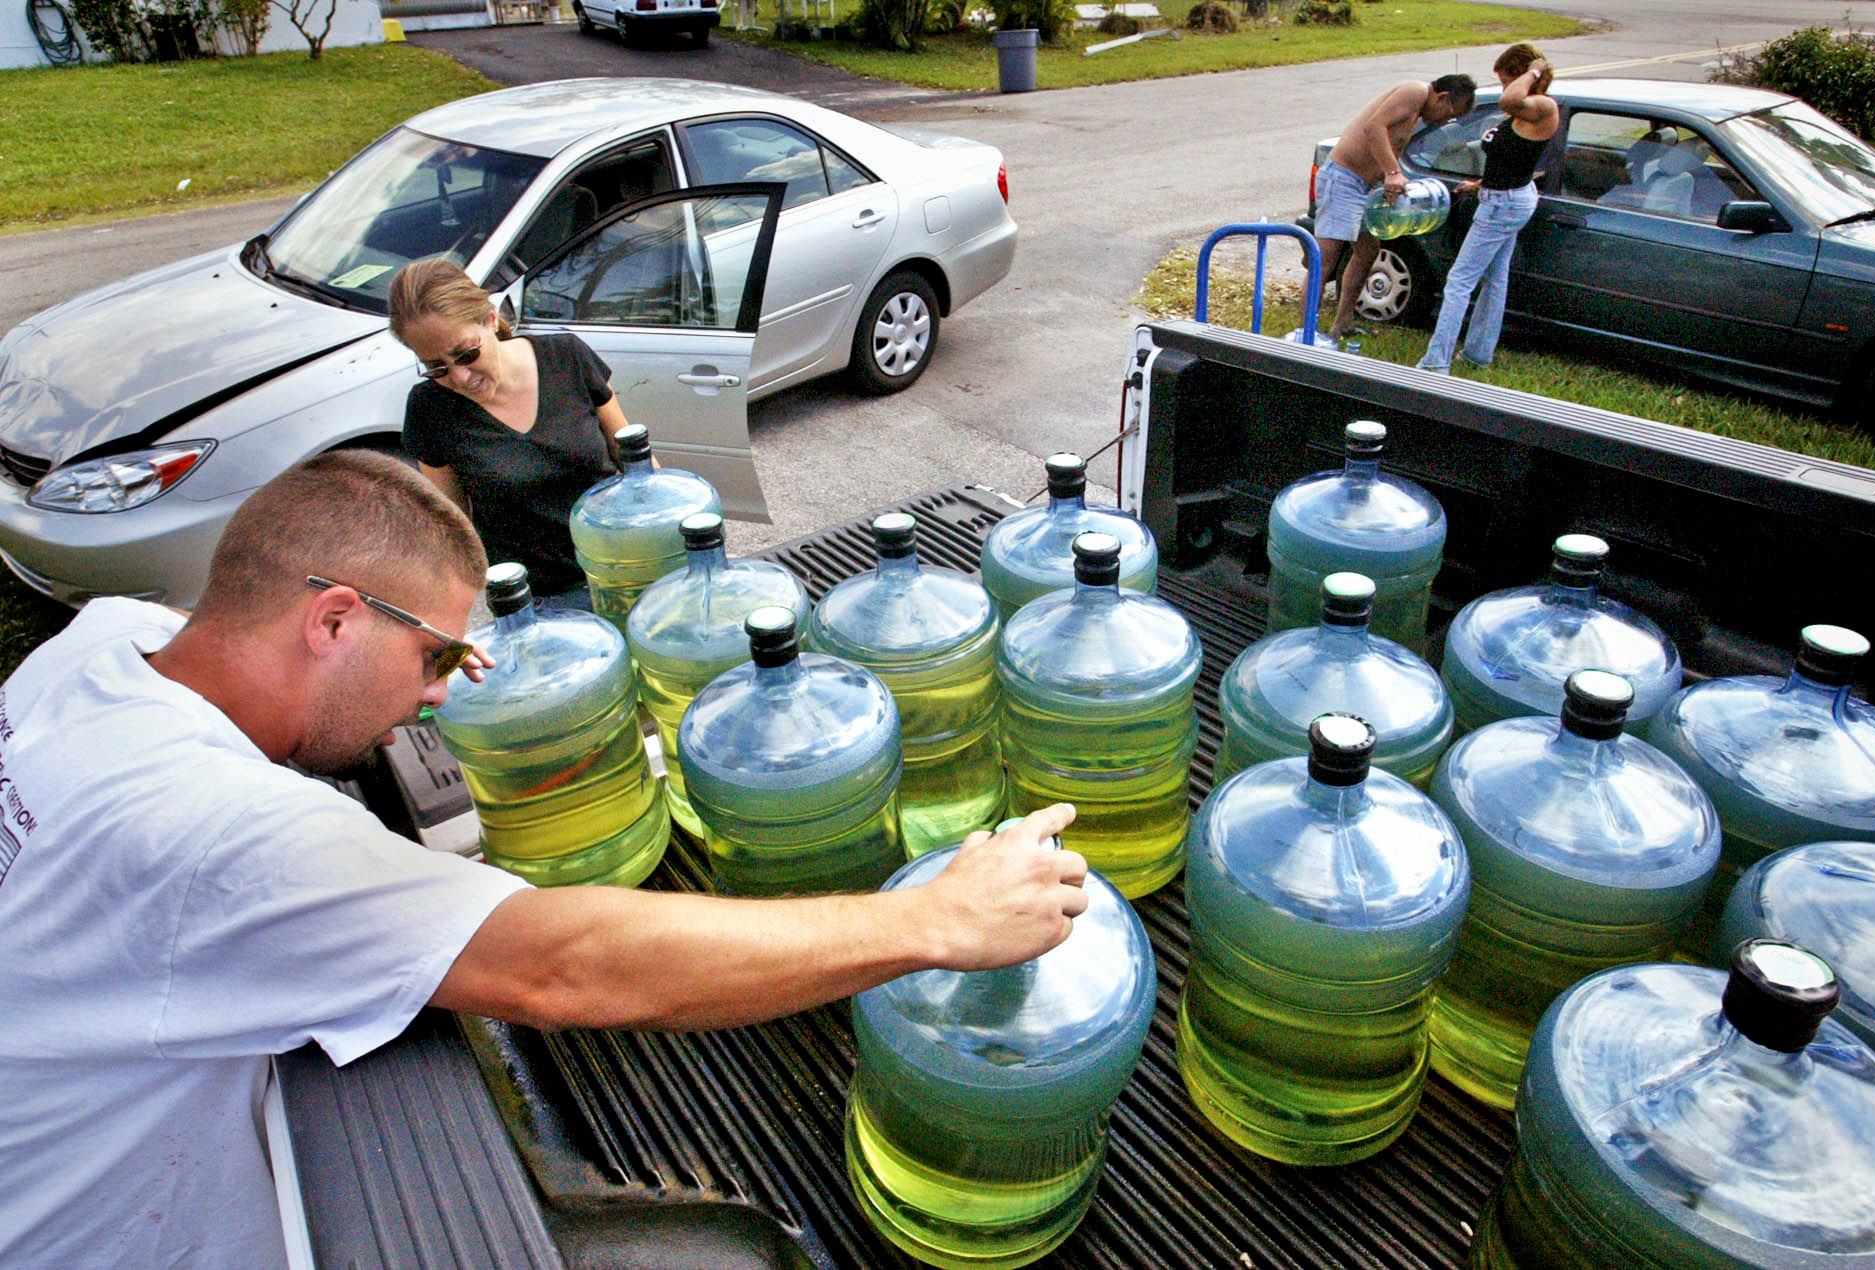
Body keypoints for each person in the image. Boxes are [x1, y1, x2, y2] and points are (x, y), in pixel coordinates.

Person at [0, 450, 1087, 1267]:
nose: (442, 695)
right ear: (332, 620)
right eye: (432, 655)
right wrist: (933, 921)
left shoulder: (101, 646)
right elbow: (565, 964)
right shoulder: (209, 837)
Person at [390, 256, 624, 609]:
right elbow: (453, 523)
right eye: (436, 367)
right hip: (536, 602)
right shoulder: (430, 408)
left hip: (625, 568)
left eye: (466, 354)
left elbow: (635, 459)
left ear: (490, 319)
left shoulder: (566, 358)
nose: (459, 378)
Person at [1417, 45, 1559, 373]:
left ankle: (1434, 364)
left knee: (1459, 281)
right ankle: (1479, 354)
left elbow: (1508, 100)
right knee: (1495, 278)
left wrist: (1534, 71)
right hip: (1503, 196)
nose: (1505, 87)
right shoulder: (1523, 113)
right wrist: (1480, 184)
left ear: (1523, 75)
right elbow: (1515, 159)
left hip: (1503, 205)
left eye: (1507, 78)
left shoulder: (1542, 106)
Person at [1311, 72, 1478, 346]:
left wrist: (1393, 180)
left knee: (1367, 251)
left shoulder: (1416, 112)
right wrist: (1391, 172)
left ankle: (1342, 323)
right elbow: (1373, 126)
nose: (1445, 122)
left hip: (1364, 186)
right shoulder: (1414, 91)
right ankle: (1307, 334)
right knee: (1325, 259)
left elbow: (1392, 143)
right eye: (1449, 113)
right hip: (1343, 179)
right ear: (1443, 97)